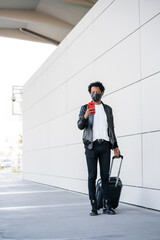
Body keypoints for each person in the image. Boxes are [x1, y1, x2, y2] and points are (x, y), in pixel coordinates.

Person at [77, 81, 120, 216]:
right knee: (92, 176)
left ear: (102, 92)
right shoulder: (85, 108)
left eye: (97, 92)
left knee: (105, 176)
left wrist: (115, 146)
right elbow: (79, 126)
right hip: (91, 146)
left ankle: (107, 205)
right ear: (90, 94)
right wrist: (85, 117)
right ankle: (94, 206)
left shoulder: (108, 109)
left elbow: (111, 129)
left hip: (105, 145)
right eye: (92, 93)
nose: (95, 94)